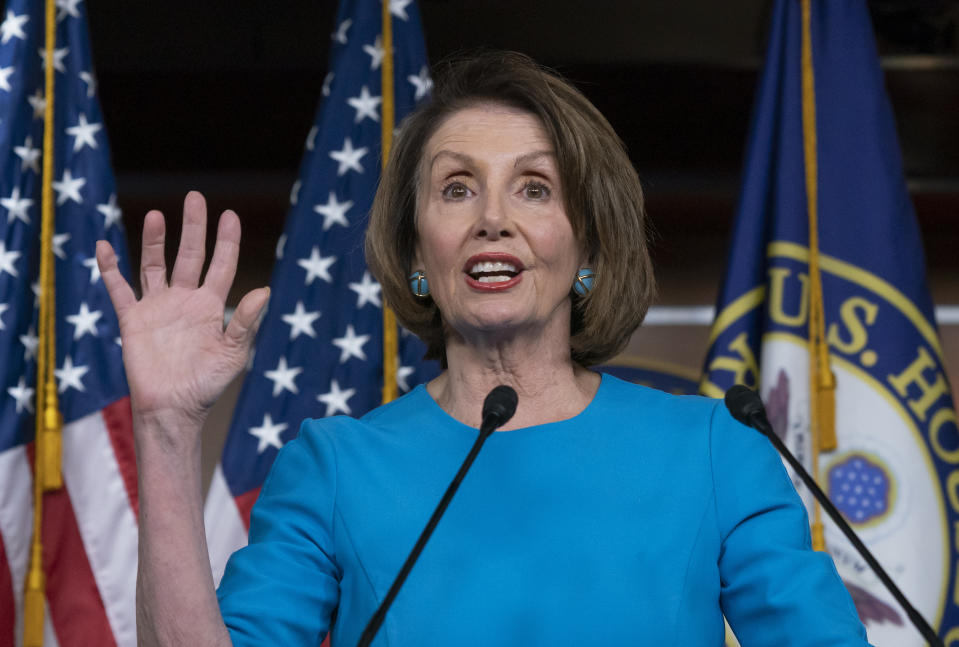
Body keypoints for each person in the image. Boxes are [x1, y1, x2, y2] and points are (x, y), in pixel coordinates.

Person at [97, 52, 871, 646]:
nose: (492, 218)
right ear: (415, 256)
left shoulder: (713, 452)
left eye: (534, 187)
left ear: (589, 247)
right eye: (456, 187)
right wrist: (164, 428)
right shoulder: (333, 466)